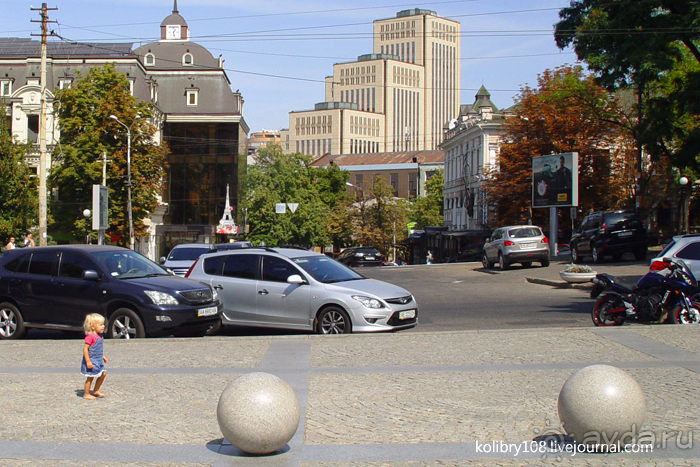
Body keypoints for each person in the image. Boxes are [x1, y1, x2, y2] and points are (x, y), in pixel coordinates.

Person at [80, 313, 108, 400]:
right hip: (92, 360)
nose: (103, 326)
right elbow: (85, 349)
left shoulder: (99, 336)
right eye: (100, 325)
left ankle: (96, 390)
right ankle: (86, 393)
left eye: (103, 324)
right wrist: (88, 361)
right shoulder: (90, 337)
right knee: (90, 377)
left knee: (103, 374)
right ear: (93, 327)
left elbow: (98, 349)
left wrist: (103, 356)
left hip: (98, 360)